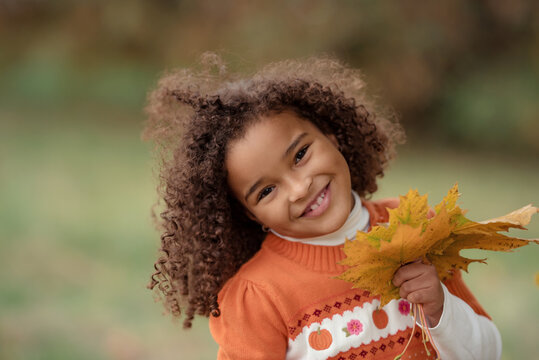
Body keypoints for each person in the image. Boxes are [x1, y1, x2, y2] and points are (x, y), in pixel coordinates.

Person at [144, 54, 502, 359]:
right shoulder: (258, 297)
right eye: (266, 191)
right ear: (250, 214)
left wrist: (440, 309)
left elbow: (490, 351)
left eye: (301, 154)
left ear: (331, 135)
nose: (299, 188)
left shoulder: (416, 229)